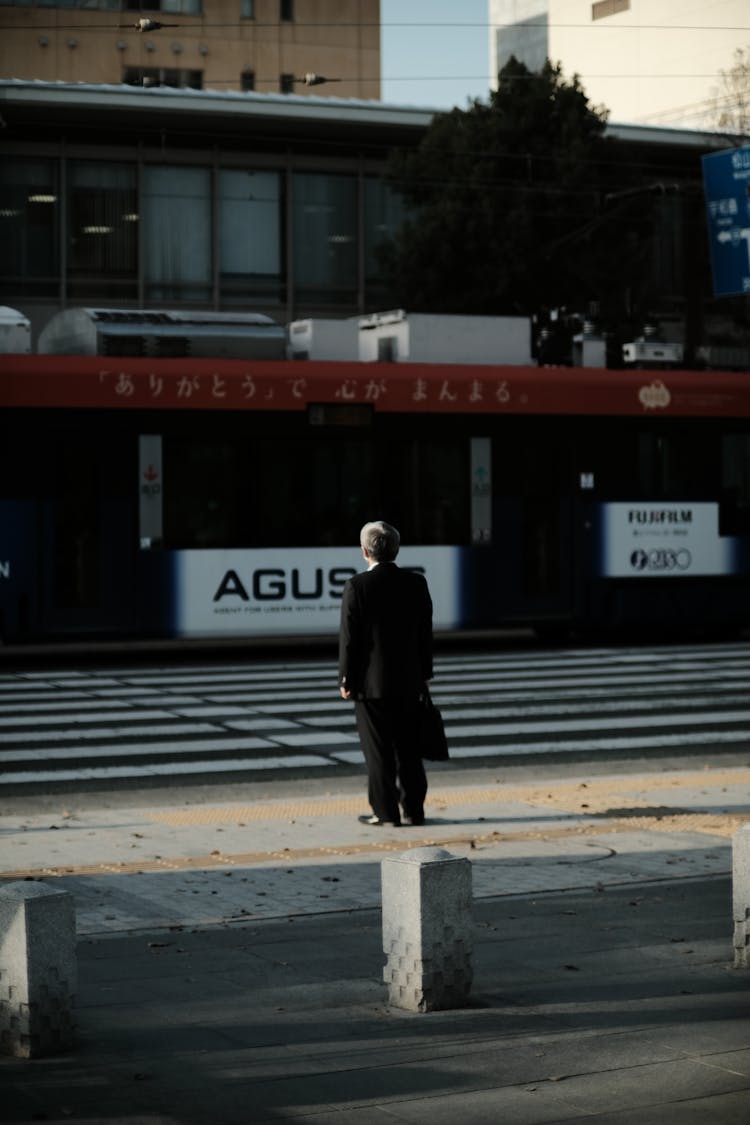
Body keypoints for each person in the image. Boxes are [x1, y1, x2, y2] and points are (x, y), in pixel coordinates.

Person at [338, 520, 433, 827]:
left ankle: (385, 811)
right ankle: (415, 810)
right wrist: (425, 673)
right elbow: (424, 634)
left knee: (378, 752)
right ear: (396, 549)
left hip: (371, 685)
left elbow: (349, 639)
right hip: (409, 681)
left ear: (364, 551)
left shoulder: (357, 586)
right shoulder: (416, 583)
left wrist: (346, 679)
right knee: (409, 749)